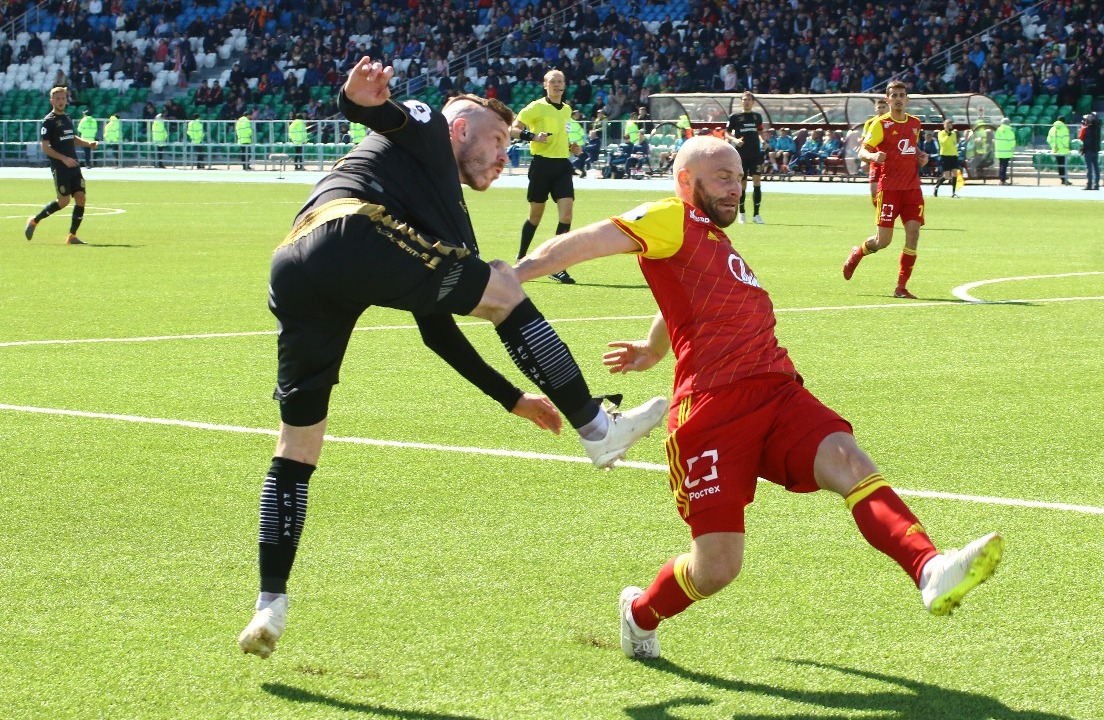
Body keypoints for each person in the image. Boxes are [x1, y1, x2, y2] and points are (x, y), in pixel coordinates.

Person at [235, 57, 668, 661]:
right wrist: (356, 98)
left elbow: (437, 331)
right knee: (502, 283)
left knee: (298, 444)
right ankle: (598, 428)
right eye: (498, 141)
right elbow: (384, 113)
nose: (505, 156)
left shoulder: (424, 207)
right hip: (352, 234)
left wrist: (512, 398)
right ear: (460, 128)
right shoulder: (432, 129)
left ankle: (269, 604)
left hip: (296, 265)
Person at [511, 136, 1003, 660]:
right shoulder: (669, 216)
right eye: (723, 177)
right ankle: (640, 614)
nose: (736, 188)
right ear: (685, 181)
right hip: (711, 412)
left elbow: (687, 296)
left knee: (848, 460)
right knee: (717, 568)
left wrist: (653, 349)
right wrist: (514, 274)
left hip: (776, 390)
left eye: (740, 178)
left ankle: (928, 568)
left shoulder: (710, 240)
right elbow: (590, 240)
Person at [842, 81, 929, 299]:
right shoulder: (880, 124)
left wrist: (921, 156)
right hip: (889, 190)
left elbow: (911, 145)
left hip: (912, 189)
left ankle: (901, 287)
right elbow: (862, 151)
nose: (898, 99)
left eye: (902, 95)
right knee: (883, 242)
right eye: (894, 96)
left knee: (913, 234)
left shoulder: (915, 123)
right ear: (888, 99)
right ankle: (857, 253)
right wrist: (873, 156)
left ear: (907, 99)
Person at [510, 69, 580, 284]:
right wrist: (532, 136)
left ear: (564, 85)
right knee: (535, 217)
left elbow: (563, 136)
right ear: (545, 85)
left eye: (560, 81)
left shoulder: (567, 109)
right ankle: (521, 258)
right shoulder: (536, 107)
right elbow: (513, 129)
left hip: (562, 166)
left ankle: (556, 265)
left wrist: (571, 147)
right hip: (541, 166)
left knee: (566, 216)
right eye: (553, 81)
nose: (557, 84)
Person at [25, 87, 98, 245]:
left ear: (66, 100)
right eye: (57, 99)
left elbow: (72, 138)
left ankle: (72, 236)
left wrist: (88, 143)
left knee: (81, 198)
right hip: (60, 167)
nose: (60, 101)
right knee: (64, 201)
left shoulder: (67, 118)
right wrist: (64, 159)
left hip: (74, 165)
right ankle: (34, 220)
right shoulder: (49, 121)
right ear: (52, 101)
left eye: (63, 98)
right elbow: (45, 147)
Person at [725, 90, 765, 224]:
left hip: (755, 154)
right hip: (741, 155)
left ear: (753, 102)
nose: (746, 102)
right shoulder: (735, 117)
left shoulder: (757, 117)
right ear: (741, 102)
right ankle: (742, 213)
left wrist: (763, 141)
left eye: (748, 99)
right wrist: (735, 140)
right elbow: (727, 133)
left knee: (757, 182)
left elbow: (760, 131)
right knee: (742, 184)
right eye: (744, 99)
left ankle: (756, 214)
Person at [859, 98, 890, 204]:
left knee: (890, 192)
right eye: (879, 107)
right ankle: (879, 211)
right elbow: (864, 142)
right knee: (874, 191)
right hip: (875, 159)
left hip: (890, 160)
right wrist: (864, 160)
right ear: (875, 109)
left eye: (883, 107)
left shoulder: (893, 121)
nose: (881, 109)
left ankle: (887, 211)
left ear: (888, 108)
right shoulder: (869, 123)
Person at [934, 118, 962, 195]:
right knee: (946, 176)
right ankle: (936, 186)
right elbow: (944, 142)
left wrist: (950, 136)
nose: (949, 127)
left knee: (955, 173)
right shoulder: (941, 133)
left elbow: (954, 143)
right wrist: (948, 135)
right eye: (948, 125)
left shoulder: (953, 134)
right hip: (945, 156)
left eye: (950, 125)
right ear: (944, 126)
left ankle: (953, 192)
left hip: (953, 155)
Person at [1046, 116, 1072, 186]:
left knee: (1060, 165)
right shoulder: (1065, 129)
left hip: (1055, 150)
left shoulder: (1052, 129)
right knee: (1064, 165)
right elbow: (1066, 140)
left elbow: (1049, 139)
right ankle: (1064, 179)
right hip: (1063, 151)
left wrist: (1054, 146)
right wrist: (1060, 146)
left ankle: (1062, 179)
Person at [1079, 113, 1102, 190]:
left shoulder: (1086, 129)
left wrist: (1083, 126)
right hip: (1095, 149)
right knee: (1096, 167)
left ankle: (1089, 184)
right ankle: (1096, 184)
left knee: (1089, 168)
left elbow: (1081, 137)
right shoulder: (1098, 129)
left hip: (1088, 150)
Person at [994, 117, 1016, 185]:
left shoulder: (998, 130)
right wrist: (1012, 148)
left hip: (999, 152)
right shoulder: (1009, 131)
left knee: (1001, 165)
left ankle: (1001, 179)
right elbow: (1012, 142)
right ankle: (1003, 180)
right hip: (1007, 152)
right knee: (1004, 166)